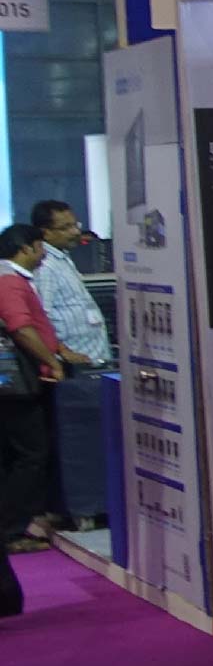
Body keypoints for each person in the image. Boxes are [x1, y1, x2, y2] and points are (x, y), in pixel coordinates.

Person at [29, 201, 110, 529]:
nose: (75, 232)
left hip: (90, 365)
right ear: (45, 233)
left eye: (75, 224)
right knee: (75, 445)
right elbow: (42, 316)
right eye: (65, 227)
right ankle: (75, 507)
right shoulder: (46, 266)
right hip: (71, 371)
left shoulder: (63, 260)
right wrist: (60, 353)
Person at [0, 224, 64, 584]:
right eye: (41, 247)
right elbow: (21, 327)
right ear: (27, 248)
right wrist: (52, 362)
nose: (43, 254)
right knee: (31, 455)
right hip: (17, 386)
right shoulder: (9, 280)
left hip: (15, 385)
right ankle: (10, 530)